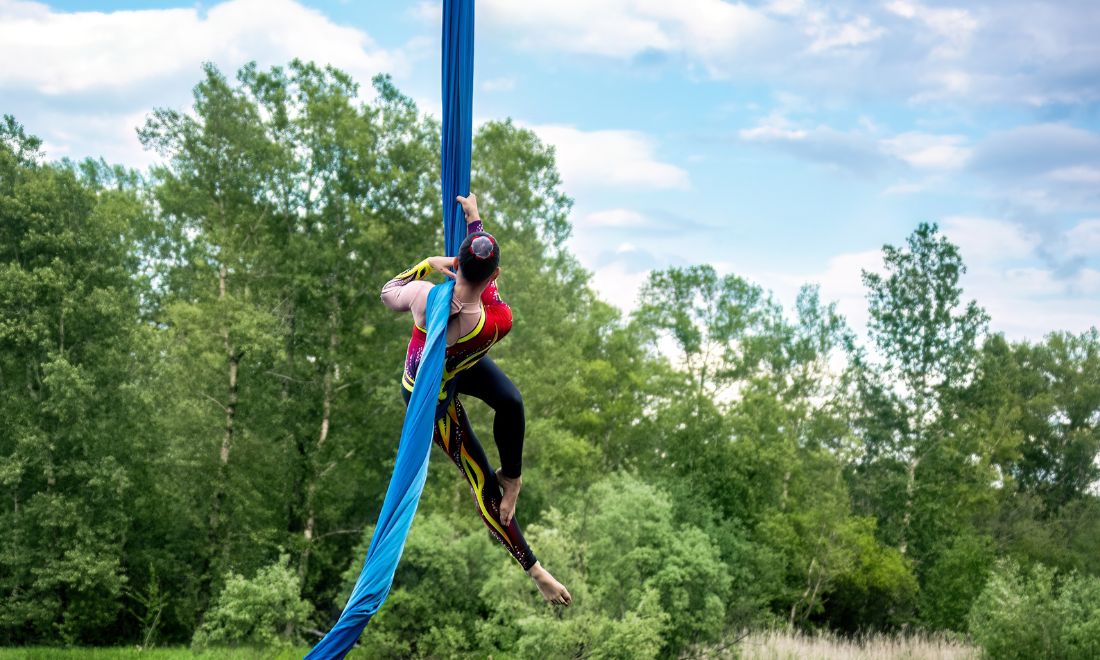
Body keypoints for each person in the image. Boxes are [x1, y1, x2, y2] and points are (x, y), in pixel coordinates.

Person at [380, 193, 571, 606]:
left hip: (442, 361)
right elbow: (492, 287)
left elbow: (388, 290)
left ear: (456, 264)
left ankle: (513, 477)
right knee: (482, 479)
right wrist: (476, 225)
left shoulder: (423, 297)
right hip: (432, 400)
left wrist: (431, 263)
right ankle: (535, 569)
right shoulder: (495, 323)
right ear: (494, 272)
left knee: (511, 401)